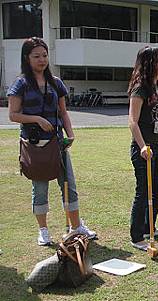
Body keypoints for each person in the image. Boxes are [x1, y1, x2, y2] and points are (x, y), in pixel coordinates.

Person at [8, 37, 97, 246]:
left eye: (45, 55)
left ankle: (76, 227)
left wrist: (70, 134)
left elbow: (63, 112)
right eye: (36, 56)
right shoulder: (20, 83)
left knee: (69, 185)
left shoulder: (56, 83)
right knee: (39, 188)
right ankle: (43, 230)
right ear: (27, 58)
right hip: (35, 145)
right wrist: (37, 119)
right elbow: (13, 115)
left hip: (58, 143)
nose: (42, 60)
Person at [127, 46, 158, 251]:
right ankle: (137, 236)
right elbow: (132, 122)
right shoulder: (140, 88)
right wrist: (143, 146)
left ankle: (148, 227)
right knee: (143, 192)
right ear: (152, 64)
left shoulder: (156, 86)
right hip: (143, 149)